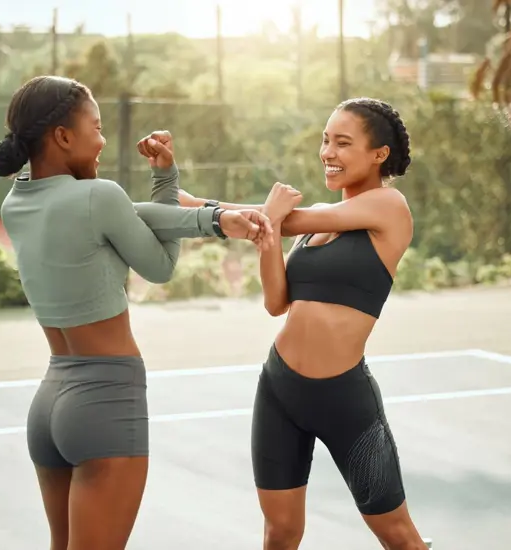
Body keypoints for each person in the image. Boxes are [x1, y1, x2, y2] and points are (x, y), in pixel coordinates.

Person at [0, 75, 274, 550]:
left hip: (49, 404)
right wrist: (178, 189)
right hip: (104, 401)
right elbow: (159, 264)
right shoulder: (97, 197)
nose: (102, 140)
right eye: (96, 127)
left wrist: (213, 218)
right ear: (62, 136)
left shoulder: (15, 203)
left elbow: (131, 213)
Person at [139, 97, 427, 549]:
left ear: (379, 154)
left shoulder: (389, 207)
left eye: (343, 143)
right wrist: (192, 201)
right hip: (280, 391)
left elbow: (284, 219)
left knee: (398, 537)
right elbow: (277, 302)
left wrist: (238, 213)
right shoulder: (312, 225)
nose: (327, 152)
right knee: (280, 533)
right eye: (325, 140)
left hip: (344, 401)